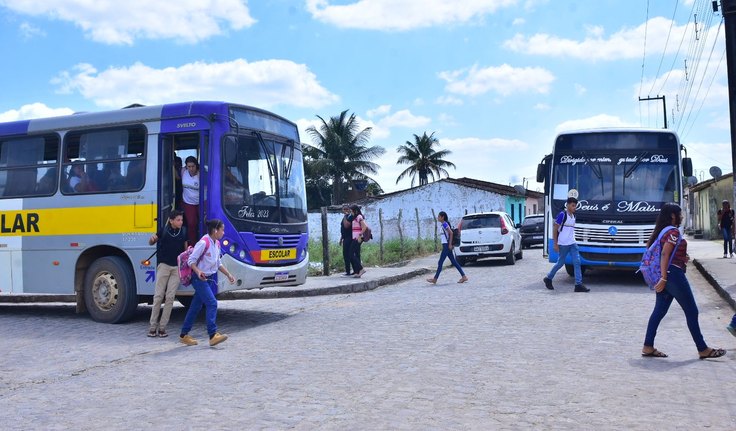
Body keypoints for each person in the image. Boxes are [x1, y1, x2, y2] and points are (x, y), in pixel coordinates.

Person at [642, 203, 726, 360]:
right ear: (673, 216)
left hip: (667, 273)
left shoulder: (662, 231)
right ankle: (702, 349)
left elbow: (669, 253)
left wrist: (681, 259)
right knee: (692, 311)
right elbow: (665, 254)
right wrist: (664, 278)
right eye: (679, 214)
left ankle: (648, 346)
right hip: (672, 275)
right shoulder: (673, 232)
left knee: (659, 311)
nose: (681, 217)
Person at [180, 219, 235, 347]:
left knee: (195, 307)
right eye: (222, 229)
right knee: (212, 303)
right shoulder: (203, 243)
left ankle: (183, 335)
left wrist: (228, 275)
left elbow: (218, 263)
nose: (223, 232)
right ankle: (212, 335)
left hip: (208, 278)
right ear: (215, 231)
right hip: (199, 279)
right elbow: (191, 261)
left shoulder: (217, 244)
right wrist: (198, 271)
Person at [147, 210, 187, 338]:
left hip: (176, 268)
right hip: (163, 266)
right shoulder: (163, 230)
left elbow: (185, 250)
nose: (180, 222)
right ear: (171, 220)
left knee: (170, 298)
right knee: (158, 296)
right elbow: (152, 241)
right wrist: (152, 239)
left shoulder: (184, 231)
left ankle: (163, 328)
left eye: (181, 220)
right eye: (178, 220)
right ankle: (153, 327)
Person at [543, 196, 588, 292]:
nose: (574, 208)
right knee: (560, 263)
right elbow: (555, 228)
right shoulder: (562, 215)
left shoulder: (574, 216)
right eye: (572, 206)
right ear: (567, 205)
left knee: (577, 262)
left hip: (572, 243)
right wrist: (555, 243)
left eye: (575, 206)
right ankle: (548, 278)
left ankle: (578, 284)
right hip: (563, 244)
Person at [426, 211, 468, 284]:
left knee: (440, 262)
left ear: (442, 217)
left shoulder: (445, 224)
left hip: (446, 245)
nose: (438, 218)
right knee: (454, 261)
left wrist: (450, 244)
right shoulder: (443, 224)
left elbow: (451, 233)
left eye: (439, 216)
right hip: (445, 245)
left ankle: (435, 279)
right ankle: (464, 276)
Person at [181, 156, 200, 245]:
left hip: (201, 202)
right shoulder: (183, 172)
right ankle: (193, 244)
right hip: (188, 203)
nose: (191, 169)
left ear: (196, 166)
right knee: (192, 224)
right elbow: (177, 178)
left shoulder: (200, 174)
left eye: (193, 166)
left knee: (203, 222)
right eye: (189, 166)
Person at [349, 205, 368, 278]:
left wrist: (360, 235)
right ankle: (357, 271)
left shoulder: (359, 217)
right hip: (355, 237)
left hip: (358, 238)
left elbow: (364, 227)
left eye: (352, 211)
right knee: (356, 254)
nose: (351, 213)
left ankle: (361, 269)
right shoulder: (355, 218)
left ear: (355, 211)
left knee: (351, 254)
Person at [339, 205, 354, 276]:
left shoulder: (350, 217)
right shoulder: (344, 218)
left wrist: (345, 216)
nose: (345, 211)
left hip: (349, 238)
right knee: (345, 254)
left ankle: (351, 271)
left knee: (348, 254)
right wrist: (341, 239)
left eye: (346, 209)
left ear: (349, 210)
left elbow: (346, 226)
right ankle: (348, 270)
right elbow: (343, 229)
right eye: (344, 209)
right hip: (345, 238)